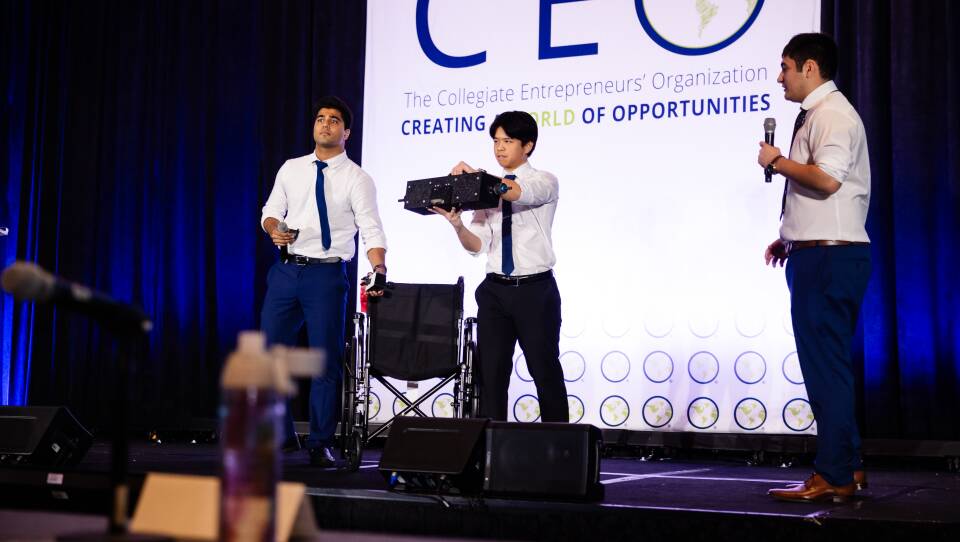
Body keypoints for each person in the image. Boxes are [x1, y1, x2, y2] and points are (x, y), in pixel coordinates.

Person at [758, 33, 871, 502]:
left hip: (828, 258)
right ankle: (849, 465)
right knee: (830, 365)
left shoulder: (832, 115)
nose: (780, 77)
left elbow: (826, 180)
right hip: (819, 251)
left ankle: (834, 474)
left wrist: (778, 161)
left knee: (826, 369)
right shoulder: (820, 114)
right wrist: (790, 237)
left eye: (785, 67)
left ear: (809, 67)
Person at [260, 96, 387, 467]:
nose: (325, 124)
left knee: (323, 361)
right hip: (286, 271)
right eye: (320, 118)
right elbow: (271, 210)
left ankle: (320, 442)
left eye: (334, 120)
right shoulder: (291, 168)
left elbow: (371, 227)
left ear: (346, 132)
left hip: (326, 275)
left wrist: (379, 267)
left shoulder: (357, 178)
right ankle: (281, 436)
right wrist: (273, 229)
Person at [433, 111, 568, 423]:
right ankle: (493, 444)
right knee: (491, 376)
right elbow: (477, 246)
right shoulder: (487, 192)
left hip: (535, 290)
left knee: (544, 370)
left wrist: (477, 179)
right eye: (496, 141)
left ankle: (560, 445)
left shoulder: (544, 181)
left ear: (528, 145)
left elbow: (518, 192)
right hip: (495, 291)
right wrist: (457, 225)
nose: (500, 148)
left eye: (508, 141)